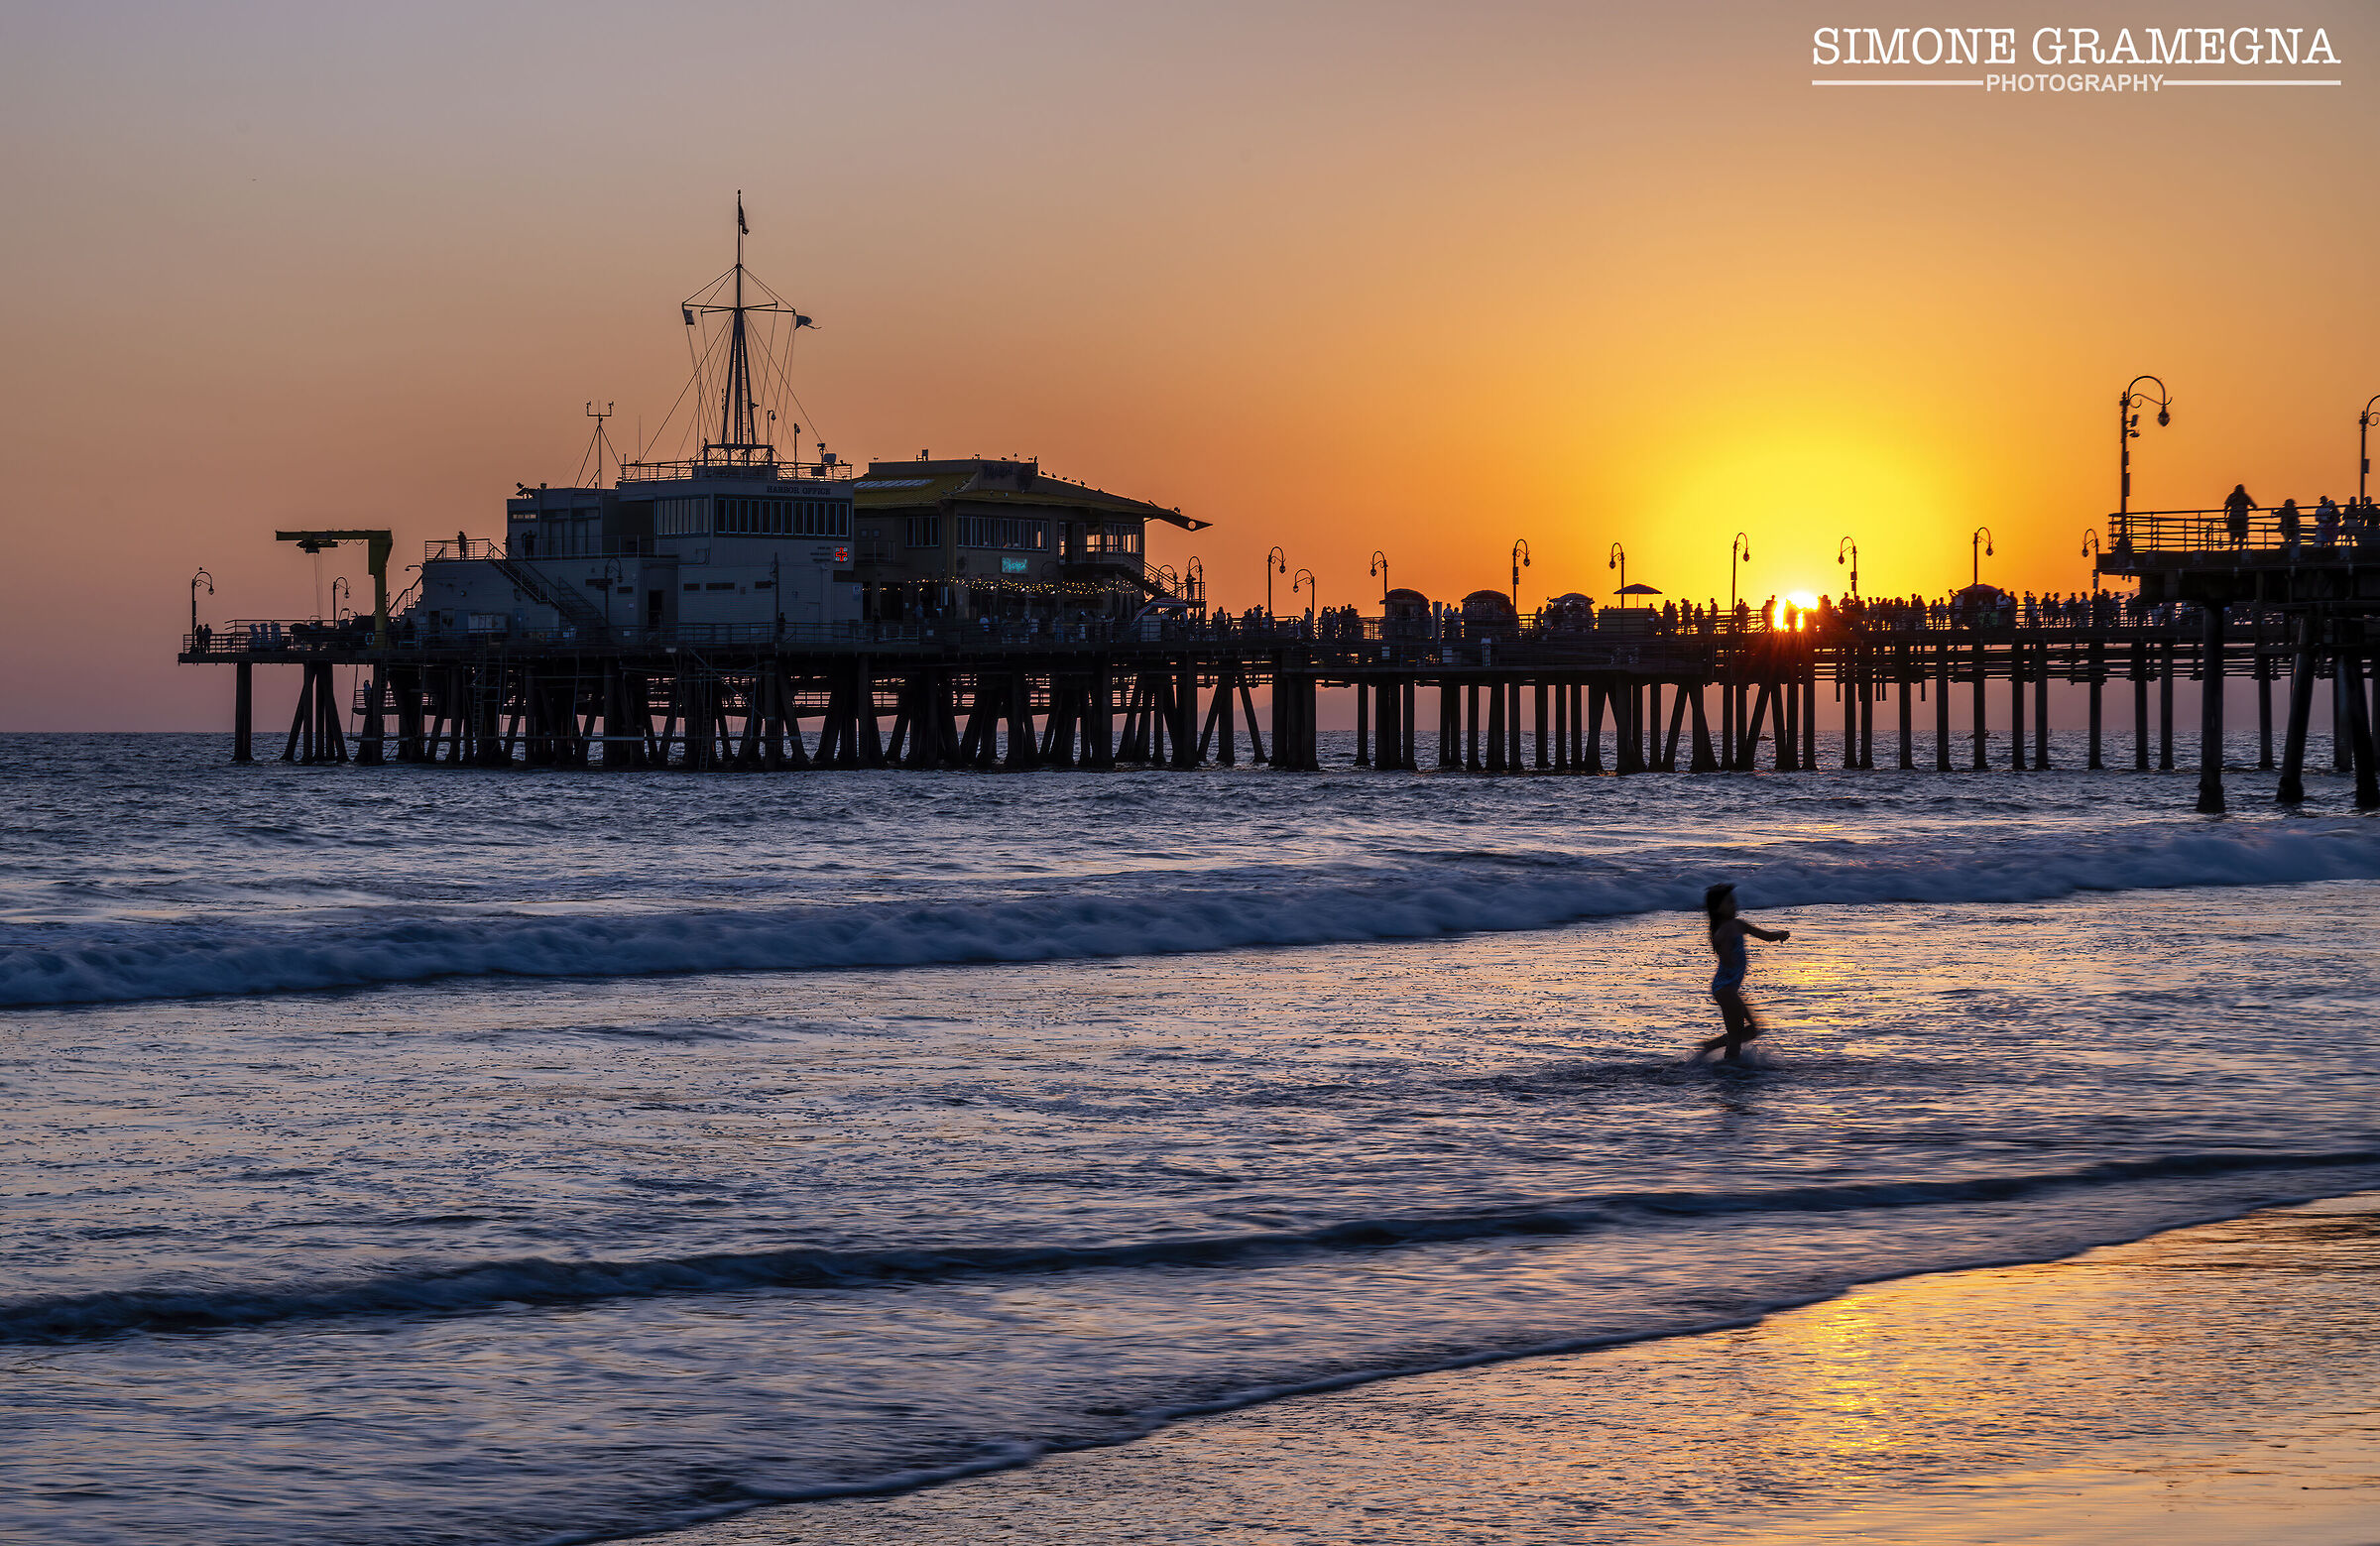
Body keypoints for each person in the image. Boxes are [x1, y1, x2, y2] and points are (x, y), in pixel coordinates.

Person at [1696, 884, 1791, 1063]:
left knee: (1753, 1029)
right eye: (1729, 902)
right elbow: (1721, 948)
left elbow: (1764, 935)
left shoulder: (1739, 924)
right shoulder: (1722, 930)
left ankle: (1712, 1046)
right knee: (1736, 1035)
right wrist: (1726, 954)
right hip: (1724, 988)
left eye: (1734, 901)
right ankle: (1731, 1067)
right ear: (1717, 908)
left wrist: (1778, 935)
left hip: (1730, 988)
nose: (1734, 905)